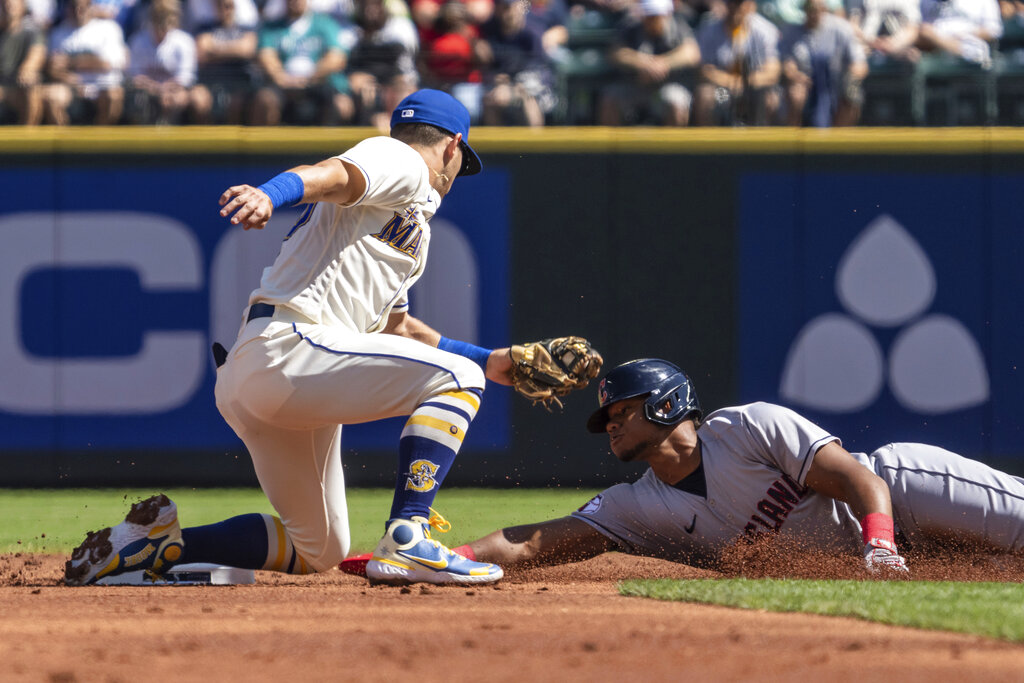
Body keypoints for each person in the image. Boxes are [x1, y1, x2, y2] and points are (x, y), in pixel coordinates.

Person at [66, 89, 514, 588]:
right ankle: (409, 534)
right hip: (291, 345)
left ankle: (155, 548)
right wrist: (270, 193)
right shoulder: (402, 160)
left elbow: (398, 329)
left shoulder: (403, 220)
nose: (457, 177)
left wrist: (491, 359)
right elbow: (336, 175)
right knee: (459, 379)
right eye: (461, 162)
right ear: (453, 146)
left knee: (318, 547)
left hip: (269, 375)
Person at [342, 358, 1024, 577]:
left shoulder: (747, 426)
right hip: (879, 547)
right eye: (606, 419)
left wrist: (880, 540)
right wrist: (435, 554)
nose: (611, 424)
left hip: (907, 493)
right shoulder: (639, 504)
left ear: (669, 404)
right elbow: (537, 539)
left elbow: (857, 480)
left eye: (622, 411)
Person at [596, 0, 700, 126]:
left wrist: (662, 63)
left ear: (667, 14)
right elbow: (616, 53)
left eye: (656, 15)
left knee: (676, 102)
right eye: (648, 15)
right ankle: (614, 145)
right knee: (610, 99)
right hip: (635, 84)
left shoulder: (678, 26)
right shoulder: (631, 25)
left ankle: (672, 146)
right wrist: (642, 63)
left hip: (668, 85)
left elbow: (691, 53)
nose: (651, 19)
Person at [252, 0, 355, 125]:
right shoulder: (272, 28)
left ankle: (326, 144)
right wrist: (283, 78)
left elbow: (337, 57)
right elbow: (266, 56)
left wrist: (310, 77)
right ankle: (269, 144)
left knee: (340, 104)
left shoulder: (325, 24)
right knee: (265, 100)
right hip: (283, 86)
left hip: (319, 84)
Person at [694, 0, 781, 126]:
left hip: (754, 91)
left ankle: (762, 143)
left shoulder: (765, 30)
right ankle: (711, 144)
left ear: (750, 5)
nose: (735, 7)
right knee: (706, 96)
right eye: (731, 3)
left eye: (740, 3)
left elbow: (773, 72)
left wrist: (745, 82)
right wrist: (730, 82)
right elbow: (704, 71)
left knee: (770, 99)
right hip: (723, 92)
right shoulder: (710, 30)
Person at [781, 0, 867, 127]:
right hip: (807, 83)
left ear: (824, 8)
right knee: (796, 93)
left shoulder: (842, 28)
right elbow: (787, 64)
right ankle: (793, 143)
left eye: (817, 7)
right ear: (803, 9)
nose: (814, 12)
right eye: (810, 7)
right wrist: (796, 76)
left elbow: (860, 64)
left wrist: (850, 80)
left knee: (852, 94)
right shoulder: (792, 32)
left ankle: (839, 141)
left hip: (836, 83)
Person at [43, 0, 128, 125]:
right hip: (71, 88)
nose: (78, 12)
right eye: (73, 7)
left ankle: (100, 140)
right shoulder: (58, 33)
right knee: (51, 97)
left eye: (82, 7)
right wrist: (67, 78)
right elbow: (52, 68)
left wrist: (70, 62)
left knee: (113, 96)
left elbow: (108, 64)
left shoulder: (109, 28)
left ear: (90, 7)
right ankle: (67, 141)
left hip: (103, 86)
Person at [477, 0, 556, 126]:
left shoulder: (532, 33)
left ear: (521, 7)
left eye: (509, 7)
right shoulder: (490, 29)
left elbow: (536, 70)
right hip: (500, 83)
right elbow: (491, 65)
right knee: (491, 99)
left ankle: (536, 142)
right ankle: (495, 145)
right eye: (502, 7)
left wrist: (511, 87)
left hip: (534, 83)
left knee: (528, 96)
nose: (507, 12)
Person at [347, 0, 420, 129]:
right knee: (364, 91)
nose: (371, 11)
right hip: (366, 90)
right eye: (367, 6)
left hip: (391, 86)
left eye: (375, 6)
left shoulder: (398, 33)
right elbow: (350, 73)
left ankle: (398, 127)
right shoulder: (352, 38)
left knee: (402, 90)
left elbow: (404, 73)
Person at [125, 0, 198, 124]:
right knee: (136, 99)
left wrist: (165, 90)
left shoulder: (185, 42)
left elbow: (186, 78)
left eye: (167, 17)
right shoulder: (138, 41)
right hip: (145, 93)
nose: (163, 23)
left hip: (175, 93)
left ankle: (174, 138)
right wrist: (156, 89)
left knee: (183, 98)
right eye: (159, 17)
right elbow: (134, 77)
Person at [190, 0, 258, 125]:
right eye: (220, 6)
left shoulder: (245, 28)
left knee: (237, 102)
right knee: (198, 99)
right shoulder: (205, 28)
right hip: (209, 81)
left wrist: (214, 50)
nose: (225, 10)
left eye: (228, 6)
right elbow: (201, 52)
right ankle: (208, 141)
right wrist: (234, 50)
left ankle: (232, 143)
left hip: (239, 81)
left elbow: (247, 50)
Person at [0, 0, 47, 125]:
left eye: (12, 4)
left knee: (31, 86)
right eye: (4, 4)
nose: (8, 6)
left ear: (22, 6)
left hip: (18, 88)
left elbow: (36, 57)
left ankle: (27, 138)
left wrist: (26, 70)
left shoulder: (32, 32)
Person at [916, 0, 1002, 66]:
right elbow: (923, 28)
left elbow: (994, 30)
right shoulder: (926, 1)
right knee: (921, 32)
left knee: (977, 51)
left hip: (968, 45)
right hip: (933, 48)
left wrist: (965, 34)